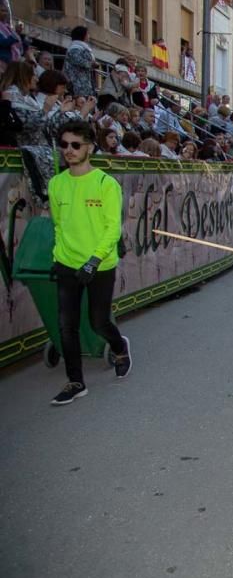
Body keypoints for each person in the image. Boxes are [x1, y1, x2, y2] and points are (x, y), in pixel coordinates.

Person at [48, 120, 132, 405]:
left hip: (100, 264)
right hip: (67, 264)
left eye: (75, 145)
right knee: (66, 325)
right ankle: (75, 382)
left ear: (90, 147)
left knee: (97, 322)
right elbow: (59, 225)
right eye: (64, 145)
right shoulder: (56, 184)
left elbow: (113, 229)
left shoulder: (105, 184)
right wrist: (57, 258)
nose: (68, 151)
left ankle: (120, 347)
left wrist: (93, 261)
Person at [64, 26, 96, 97]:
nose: (89, 36)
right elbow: (78, 61)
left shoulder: (83, 48)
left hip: (84, 85)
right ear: (83, 35)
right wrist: (91, 64)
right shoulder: (74, 48)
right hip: (77, 85)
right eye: (88, 34)